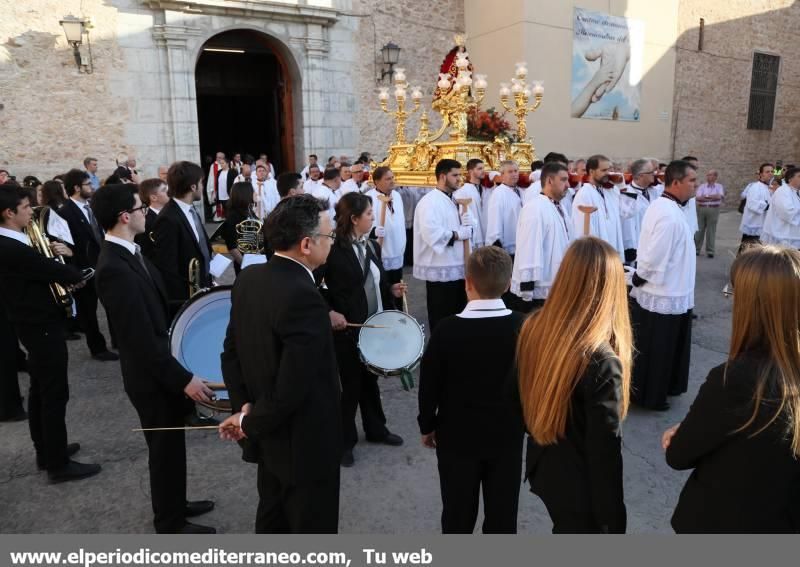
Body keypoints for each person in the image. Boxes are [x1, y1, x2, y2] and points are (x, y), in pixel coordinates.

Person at [93, 184, 216, 534]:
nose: (147, 212)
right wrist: (184, 380)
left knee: (172, 448)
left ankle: (176, 503)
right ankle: (170, 521)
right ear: (124, 216)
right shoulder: (114, 267)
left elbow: (156, 307)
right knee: (163, 450)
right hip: (150, 378)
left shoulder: (130, 252)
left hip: (157, 371)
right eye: (140, 207)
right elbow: (140, 340)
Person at [218, 194, 342, 534]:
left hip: (267, 436)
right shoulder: (305, 296)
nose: (332, 243)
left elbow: (231, 352)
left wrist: (243, 406)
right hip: (304, 444)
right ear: (306, 243)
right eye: (329, 236)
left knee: (272, 520)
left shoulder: (248, 279)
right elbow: (294, 384)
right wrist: (249, 421)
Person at [663, 245, 800, 533]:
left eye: (734, 294)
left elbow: (679, 455)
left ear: (752, 307)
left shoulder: (736, 380)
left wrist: (678, 437)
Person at [519, 237, 632, 533]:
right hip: (581, 488)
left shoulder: (535, 325)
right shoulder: (601, 359)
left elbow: (517, 396)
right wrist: (612, 519)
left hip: (545, 466)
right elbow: (604, 451)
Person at [418, 246, 525, 533]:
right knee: (503, 517)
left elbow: (430, 384)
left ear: (467, 282)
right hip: (506, 436)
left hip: (457, 438)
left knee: (457, 514)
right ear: (507, 284)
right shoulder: (523, 326)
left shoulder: (446, 329)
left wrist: (427, 424)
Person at [0, 184, 101, 482]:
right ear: (8, 213)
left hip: (32, 324)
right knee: (54, 392)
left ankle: (47, 451)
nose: (31, 211)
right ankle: (57, 464)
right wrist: (72, 262)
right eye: (26, 207)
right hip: (40, 325)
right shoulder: (12, 247)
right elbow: (61, 273)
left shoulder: (13, 243)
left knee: (40, 389)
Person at [321, 192, 407, 467]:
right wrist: (329, 312)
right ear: (354, 218)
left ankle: (376, 429)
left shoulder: (372, 246)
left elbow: (374, 281)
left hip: (374, 326)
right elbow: (313, 288)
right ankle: (343, 441)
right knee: (350, 386)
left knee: (371, 380)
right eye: (369, 213)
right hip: (347, 329)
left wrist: (391, 290)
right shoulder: (331, 249)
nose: (373, 216)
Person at [630, 160, 697, 411]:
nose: (695, 185)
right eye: (692, 180)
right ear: (676, 182)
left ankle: (665, 388)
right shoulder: (667, 213)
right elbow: (655, 254)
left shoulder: (667, 206)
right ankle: (650, 396)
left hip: (674, 291)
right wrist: (639, 278)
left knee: (667, 348)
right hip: (663, 293)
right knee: (658, 350)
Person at [58, 168, 118, 361]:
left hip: (104, 264)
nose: (92, 187)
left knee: (114, 306)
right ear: (76, 187)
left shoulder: (92, 207)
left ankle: (118, 339)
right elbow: (64, 245)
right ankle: (98, 348)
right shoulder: (65, 212)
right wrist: (74, 273)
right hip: (84, 269)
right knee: (89, 312)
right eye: (87, 184)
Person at [413, 159, 472, 330]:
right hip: (440, 268)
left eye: (460, 175)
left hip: (459, 266)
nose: (459, 179)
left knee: (458, 317)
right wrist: (458, 234)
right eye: (455, 175)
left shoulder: (456, 199)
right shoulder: (429, 202)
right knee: (441, 318)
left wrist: (469, 222)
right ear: (442, 176)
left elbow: (468, 228)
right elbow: (431, 233)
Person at [151, 161, 213, 315]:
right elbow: (168, 268)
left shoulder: (190, 209)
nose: (203, 186)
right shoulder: (168, 218)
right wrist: (187, 299)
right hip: (187, 298)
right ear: (193, 187)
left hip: (203, 286)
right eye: (201, 182)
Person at [511, 162, 573, 312]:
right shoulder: (535, 208)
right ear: (550, 181)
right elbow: (529, 246)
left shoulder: (559, 206)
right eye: (563, 180)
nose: (568, 185)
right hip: (539, 289)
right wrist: (527, 288)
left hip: (557, 281)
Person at [365, 166, 406, 307]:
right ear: (376, 181)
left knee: (398, 290)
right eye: (387, 179)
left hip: (397, 251)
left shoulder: (397, 196)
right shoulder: (368, 198)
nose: (392, 181)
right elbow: (362, 224)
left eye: (392, 178)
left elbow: (399, 221)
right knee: (385, 291)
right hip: (381, 251)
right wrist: (374, 231)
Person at [571, 155, 625, 260]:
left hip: (612, 249)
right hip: (596, 255)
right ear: (591, 172)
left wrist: (621, 187)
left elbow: (626, 213)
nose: (608, 174)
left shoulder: (611, 191)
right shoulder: (584, 194)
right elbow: (584, 229)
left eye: (609, 170)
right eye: (603, 170)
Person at [619, 158, 657, 263]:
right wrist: (631, 247)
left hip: (653, 243)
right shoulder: (626, 194)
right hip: (636, 247)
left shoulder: (655, 192)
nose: (655, 174)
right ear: (640, 175)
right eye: (651, 172)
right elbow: (627, 224)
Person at [485, 160, 522, 257]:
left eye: (516, 171)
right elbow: (495, 219)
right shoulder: (498, 194)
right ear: (502, 175)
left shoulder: (520, 191)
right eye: (510, 172)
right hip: (507, 248)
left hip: (521, 243)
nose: (514, 174)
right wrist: (497, 242)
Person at [221, 181, 259, 275]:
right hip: (246, 265)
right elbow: (232, 247)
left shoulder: (249, 211)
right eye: (253, 191)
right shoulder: (234, 217)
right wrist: (245, 265)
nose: (256, 193)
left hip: (255, 260)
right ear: (246, 194)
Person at [761, 166, 800, 249]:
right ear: (790, 179)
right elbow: (787, 212)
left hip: (792, 235)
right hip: (784, 237)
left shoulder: (795, 191)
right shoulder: (783, 191)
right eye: (799, 176)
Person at [740, 163, 773, 251]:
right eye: (767, 172)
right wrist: (770, 206)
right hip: (754, 226)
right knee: (748, 255)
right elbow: (752, 204)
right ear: (761, 174)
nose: (770, 173)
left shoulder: (769, 188)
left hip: (764, 225)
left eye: (772, 171)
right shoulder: (755, 187)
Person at [452, 159, 485, 248]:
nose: (483, 171)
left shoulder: (486, 189)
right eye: (479, 169)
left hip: (485, 232)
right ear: (470, 171)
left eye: (483, 168)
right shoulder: (462, 191)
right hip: (474, 236)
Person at [134, 178, 169, 261]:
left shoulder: (169, 214)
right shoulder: (146, 222)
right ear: (153, 197)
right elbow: (147, 253)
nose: (169, 192)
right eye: (164, 190)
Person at [694, 169, 725, 257]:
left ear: (715, 177)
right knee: (699, 229)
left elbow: (719, 197)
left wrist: (706, 196)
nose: (708, 176)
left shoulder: (719, 186)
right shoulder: (702, 186)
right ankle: (696, 249)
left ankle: (710, 251)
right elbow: (698, 198)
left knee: (711, 230)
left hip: (713, 209)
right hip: (701, 209)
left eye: (710, 175)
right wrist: (712, 197)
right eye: (708, 175)